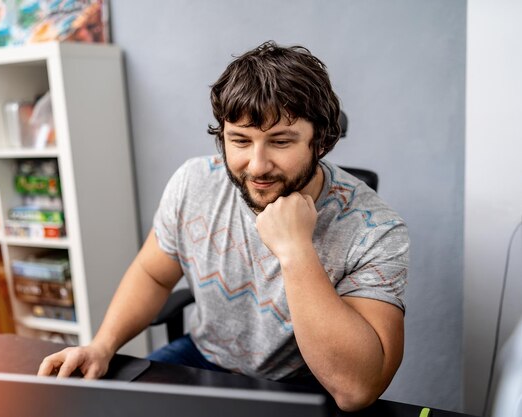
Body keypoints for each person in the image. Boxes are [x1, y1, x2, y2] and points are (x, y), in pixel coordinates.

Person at [38, 40, 409, 412]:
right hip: (204, 358)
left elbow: (357, 390)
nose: (257, 165)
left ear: (322, 142)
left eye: (280, 141)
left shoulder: (375, 229)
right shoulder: (193, 183)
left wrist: (296, 251)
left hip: (307, 381)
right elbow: (153, 275)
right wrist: (102, 346)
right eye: (240, 141)